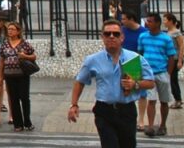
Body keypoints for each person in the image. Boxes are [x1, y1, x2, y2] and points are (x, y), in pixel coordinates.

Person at [69, 18, 156, 148]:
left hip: (127, 111)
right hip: (104, 111)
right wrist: (74, 105)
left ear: (122, 37)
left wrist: (135, 84)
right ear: (102, 37)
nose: (111, 37)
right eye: (107, 34)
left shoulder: (134, 58)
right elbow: (80, 81)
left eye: (115, 34)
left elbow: (151, 83)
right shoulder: (92, 60)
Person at [138, 13, 178, 137]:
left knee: (164, 101)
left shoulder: (166, 38)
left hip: (162, 73)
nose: (147, 23)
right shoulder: (143, 36)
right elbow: (140, 54)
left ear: (157, 23)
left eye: (150, 21)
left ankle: (163, 125)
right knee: (151, 100)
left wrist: (168, 73)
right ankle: (150, 126)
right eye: (147, 21)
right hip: (148, 74)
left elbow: (171, 56)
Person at [0, 21, 36, 132]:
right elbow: (2, 60)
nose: (10, 31)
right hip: (9, 75)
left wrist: (25, 56)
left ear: (18, 31)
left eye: (12, 29)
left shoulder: (24, 43)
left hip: (22, 75)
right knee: (13, 99)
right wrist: (1, 76)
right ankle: (17, 124)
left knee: (24, 98)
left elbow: (34, 56)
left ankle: (27, 122)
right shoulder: (5, 44)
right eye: (9, 29)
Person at [120, 11, 147, 130]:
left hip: (136, 63)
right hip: (121, 63)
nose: (122, 21)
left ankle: (141, 120)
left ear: (131, 19)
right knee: (123, 90)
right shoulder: (121, 31)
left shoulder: (143, 32)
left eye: (124, 19)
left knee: (141, 93)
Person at [163, 13, 184, 110]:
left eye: (165, 20)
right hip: (169, 59)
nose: (164, 22)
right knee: (172, 80)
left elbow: (181, 46)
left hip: (175, 59)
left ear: (171, 21)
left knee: (173, 80)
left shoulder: (177, 33)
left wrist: (180, 60)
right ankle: (178, 98)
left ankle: (178, 100)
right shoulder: (167, 32)